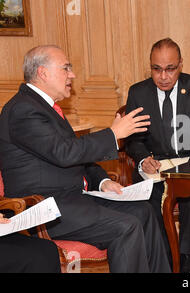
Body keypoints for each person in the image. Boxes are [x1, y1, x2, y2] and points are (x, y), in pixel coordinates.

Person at [0, 45, 171, 273]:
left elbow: (76, 156)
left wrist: (102, 181)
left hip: (73, 200)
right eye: (66, 68)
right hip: (46, 207)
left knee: (144, 212)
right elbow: (64, 152)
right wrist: (113, 134)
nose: (72, 75)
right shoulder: (23, 110)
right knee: (126, 226)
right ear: (43, 73)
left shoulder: (46, 107)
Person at [125, 38, 190, 273]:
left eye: (170, 68)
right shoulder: (138, 92)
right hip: (155, 166)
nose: (163, 76)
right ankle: (165, 257)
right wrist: (143, 159)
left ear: (180, 65)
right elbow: (132, 138)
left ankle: (187, 257)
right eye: (157, 69)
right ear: (150, 67)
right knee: (148, 199)